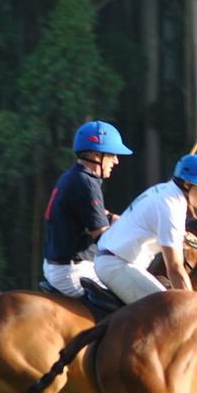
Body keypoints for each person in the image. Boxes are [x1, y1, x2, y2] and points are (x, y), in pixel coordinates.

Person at [95, 153, 197, 304]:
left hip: (114, 260)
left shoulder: (164, 190)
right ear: (186, 184)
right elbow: (175, 268)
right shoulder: (172, 206)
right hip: (117, 265)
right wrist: (193, 306)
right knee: (167, 308)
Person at [42, 121, 133, 297]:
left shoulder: (74, 176)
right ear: (96, 154)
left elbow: (97, 215)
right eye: (112, 155)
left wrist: (124, 222)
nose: (116, 161)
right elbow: (103, 238)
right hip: (73, 270)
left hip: (60, 265)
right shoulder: (86, 183)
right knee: (129, 300)